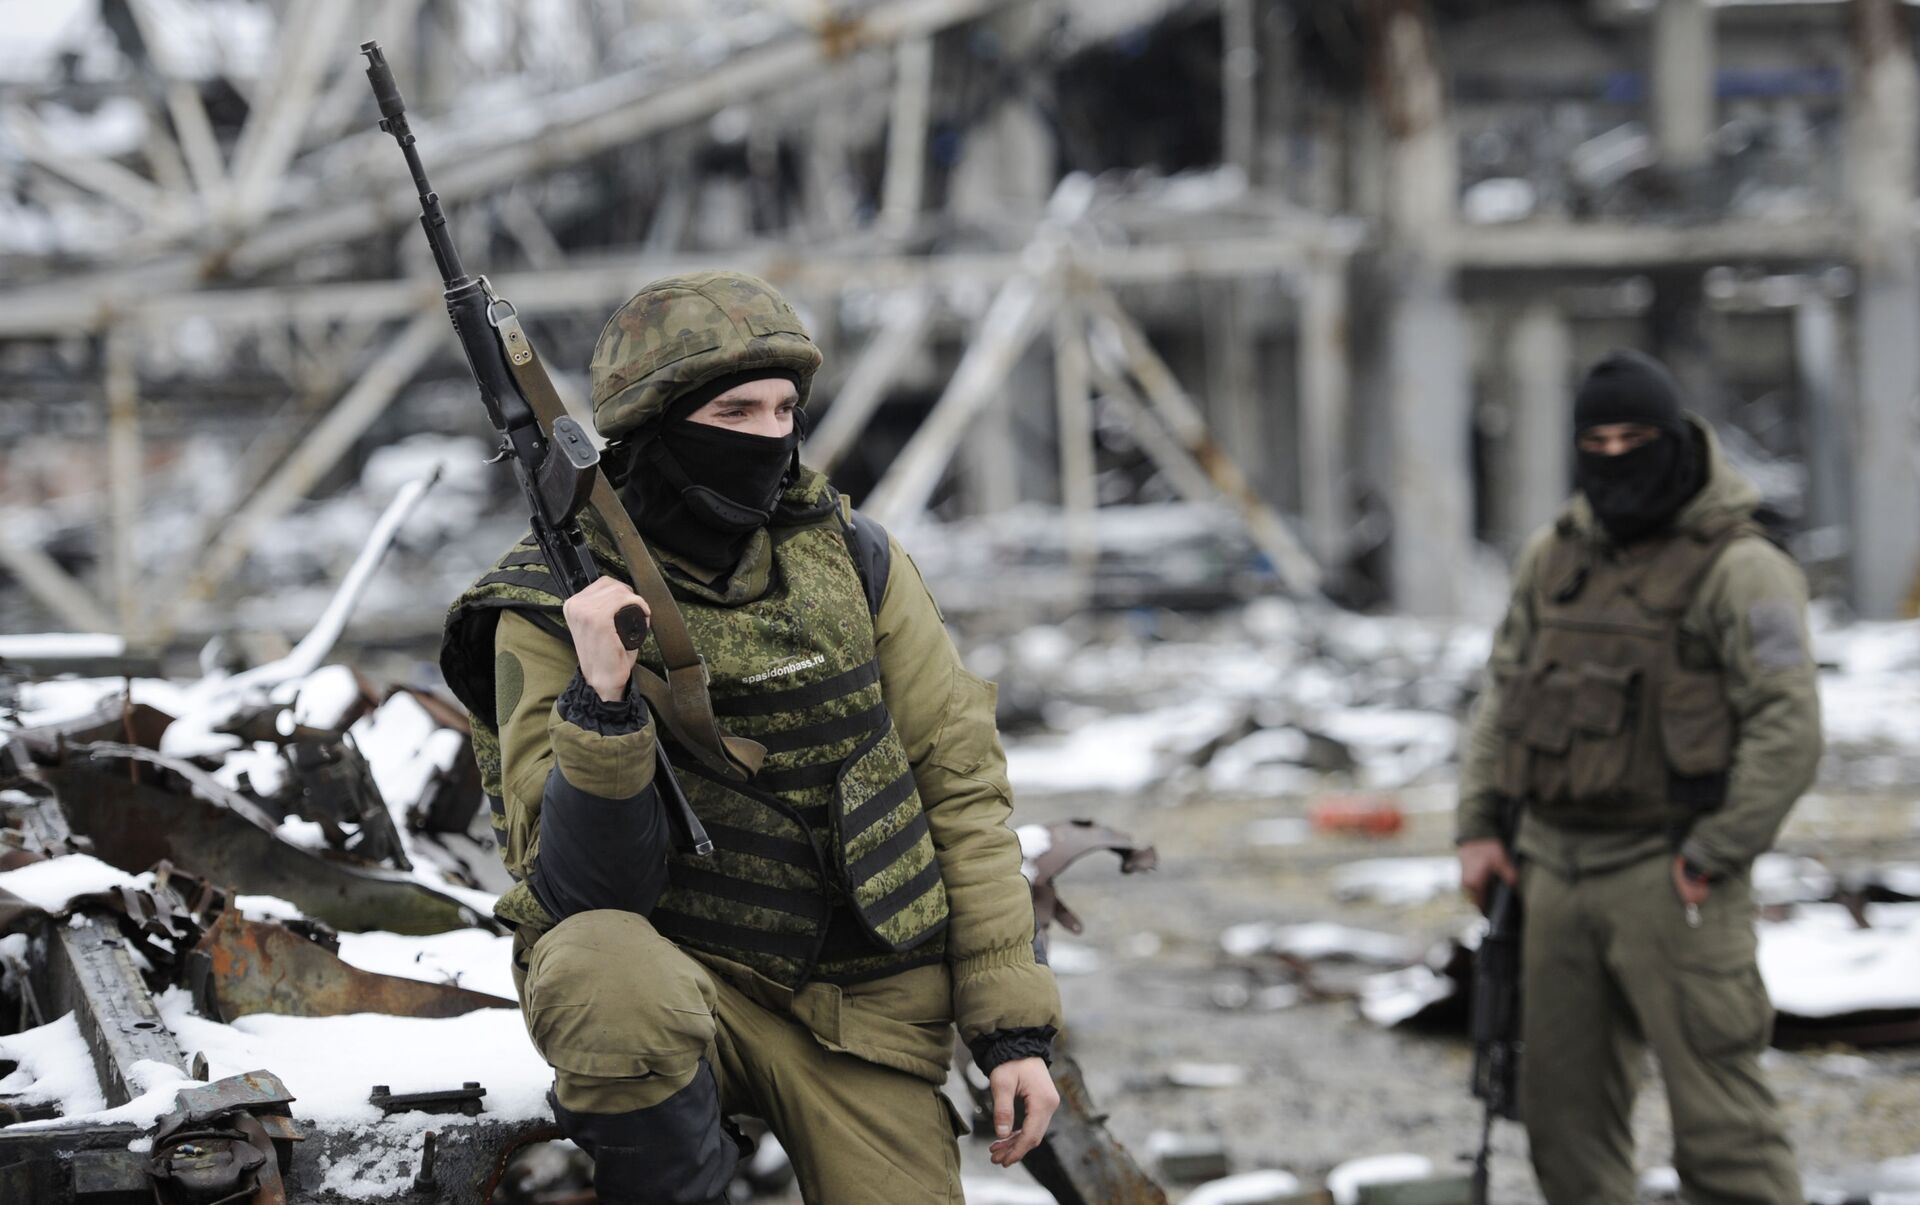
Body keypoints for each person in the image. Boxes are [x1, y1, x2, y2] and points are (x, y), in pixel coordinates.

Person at [440, 271, 1062, 1205]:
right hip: (685, 978)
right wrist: (604, 701)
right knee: (598, 961)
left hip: (866, 1008)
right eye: (734, 411)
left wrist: (1012, 1032)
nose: (768, 437)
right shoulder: (551, 604)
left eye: (783, 410)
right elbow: (579, 887)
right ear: (654, 426)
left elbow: (960, 786)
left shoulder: (855, 560)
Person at [1455, 349, 1821, 1205]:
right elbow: (1503, 694)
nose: (1616, 459)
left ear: (1677, 440)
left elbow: (1789, 726)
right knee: (1563, 1124)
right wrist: (1478, 825)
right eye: (1597, 442)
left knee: (1725, 1130)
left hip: (1669, 870)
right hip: (1551, 868)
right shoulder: (1555, 555)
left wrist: (1715, 850)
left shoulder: (1742, 566)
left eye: (1636, 439)